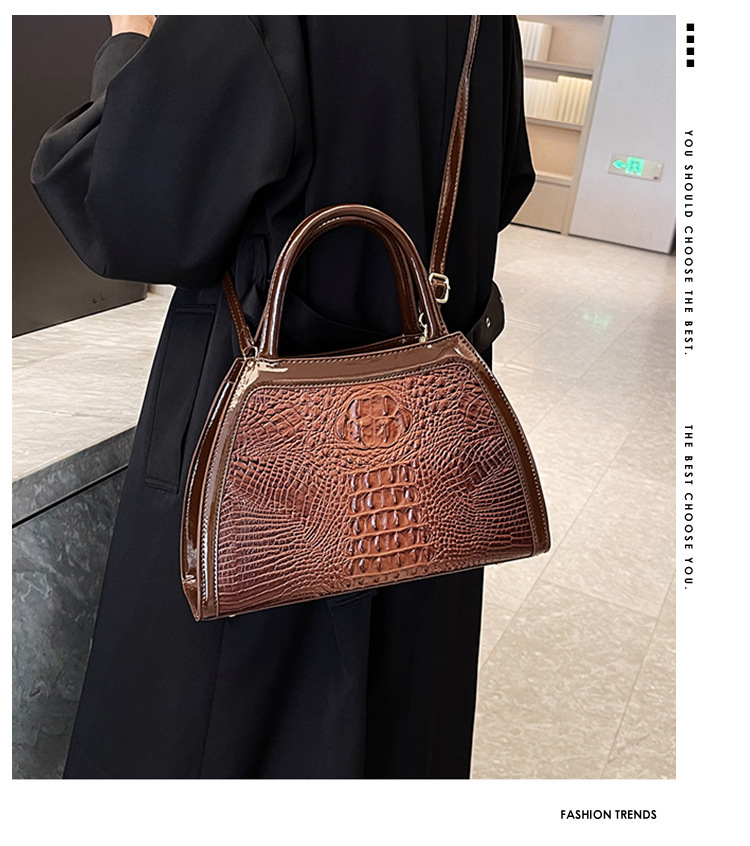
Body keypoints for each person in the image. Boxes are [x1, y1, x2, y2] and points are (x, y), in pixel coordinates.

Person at [30, 14, 534, 779]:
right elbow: (504, 183)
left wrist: (129, 41)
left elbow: (130, 212)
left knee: (217, 729)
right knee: (398, 723)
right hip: (424, 461)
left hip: (263, 454)